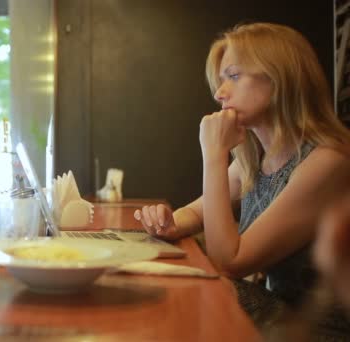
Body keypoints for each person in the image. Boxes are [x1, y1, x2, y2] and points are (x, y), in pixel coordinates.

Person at [133, 22, 350, 334]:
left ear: (280, 80)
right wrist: (170, 222)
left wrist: (213, 154)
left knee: (202, 289)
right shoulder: (254, 157)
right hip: (282, 315)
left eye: (233, 76)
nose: (220, 93)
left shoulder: (326, 162)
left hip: (321, 332)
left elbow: (231, 261)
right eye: (221, 81)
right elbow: (197, 211)